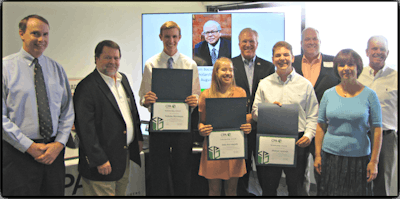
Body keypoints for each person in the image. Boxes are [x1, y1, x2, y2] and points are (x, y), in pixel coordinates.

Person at [2, 14, 74, 196]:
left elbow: (67, 111)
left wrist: (59, 143)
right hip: (19, 155)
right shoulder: (5, 69)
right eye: (35, 33)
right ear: (21, 33)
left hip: (54, 154)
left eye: (45, 34)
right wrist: (29, 146)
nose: (41, 40)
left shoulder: (56, 69)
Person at [73, 40, 143, 196]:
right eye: (107, 57)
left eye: (116, 58)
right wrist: (99, 160)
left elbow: (132, 112)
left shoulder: (122, 79)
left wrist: (137, 138)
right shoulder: (86, 87)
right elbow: (85, 129)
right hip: (102, 164)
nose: (113, 62)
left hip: (122, 159)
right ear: (96, 59)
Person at [139, 21, 201, 196]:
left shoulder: (190, 65)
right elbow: (143, 97)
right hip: (159, 126)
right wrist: (147, 100)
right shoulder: (150, 64)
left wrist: (194, 100)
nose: (171, 40)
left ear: (180, 38)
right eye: (167, 37)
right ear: (160, 37)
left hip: (183, 126)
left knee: (183, 171)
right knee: (158, 171)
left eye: (174, 36)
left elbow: (196, 94)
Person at [252, 41, 319, 196]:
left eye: (286, 55)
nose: (282, 58)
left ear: (292, 58)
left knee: (296, 188)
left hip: (298, 141)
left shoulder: (305, 84)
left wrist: (309, 136)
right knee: (269, 187)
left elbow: (313, 114)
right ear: (273, 59)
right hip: (271, 139)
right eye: (278, 55)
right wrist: (268, 110)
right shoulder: (264, 84)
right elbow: (255, 112)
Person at [314, 49, 383, 196]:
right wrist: (318, 155)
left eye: (350, 64)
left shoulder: (370, 95)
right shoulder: (328, 94)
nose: (346, 68)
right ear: (336, 69)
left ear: (358, 67)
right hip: (330, 157)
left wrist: (374, 161)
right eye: (341, 65)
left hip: (359, 159)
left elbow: (377, 129)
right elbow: (320, 126)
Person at [292, 27, 340, 195]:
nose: (311, 42)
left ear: (320, 41)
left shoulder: (334, 62)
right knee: (297, 172)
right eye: (307, 39)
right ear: (301, 43)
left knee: (323, 171)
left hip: (325, 128)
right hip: (298, 127)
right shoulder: (292, 61)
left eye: (315, 39)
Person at [198, 57, 252, 196]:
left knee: (232, 190)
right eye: (224, 69)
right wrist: (201, 129)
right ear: (216, 72)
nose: (228, 73)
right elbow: (201, 122)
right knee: (214, 190)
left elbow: (243, 120)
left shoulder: (240, 93)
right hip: (214, 148)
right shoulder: (206, 95)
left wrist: (247, 127)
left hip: (234, 148)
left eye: (230, 70)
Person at [231, 28, 275, 196]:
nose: (248, 44)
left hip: (262, 126)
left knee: (266, 170)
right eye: (244, 41)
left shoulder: (268, 66)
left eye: (251, 41)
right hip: (239, 126)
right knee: (241, 168)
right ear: (238, 44)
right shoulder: (230, 64)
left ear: (257, 43)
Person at [358, 36, 397, 196]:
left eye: (382, 49)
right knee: (358, 180)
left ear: (387, 53)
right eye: (374, 48)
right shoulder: (357, 75)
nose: (378, 52)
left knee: (382, 183)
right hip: (360, 135)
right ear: (367, 52)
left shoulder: (395, 77)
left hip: (386, 137)